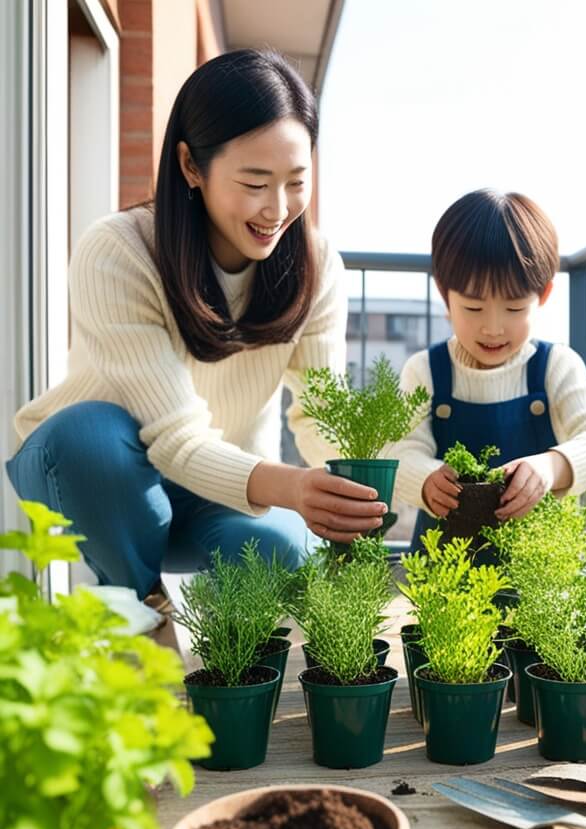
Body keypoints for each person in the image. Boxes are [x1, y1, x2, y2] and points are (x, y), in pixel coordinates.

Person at [5, 49, 386, 602]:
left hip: (223, 487)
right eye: (255, 182)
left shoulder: (316, 265)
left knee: (280, 555)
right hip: (99, 479)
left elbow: (321, 413)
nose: (277, 208)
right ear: (190, 166)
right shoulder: (120, 251)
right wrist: (293, 487)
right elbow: (175, 439)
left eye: (295, 181)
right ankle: (136, 608)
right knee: (91, 437)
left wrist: (351, 488)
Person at [392, 189, 586, 548]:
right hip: (441, 573)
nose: (493, 327)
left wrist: (552, 467)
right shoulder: (424, 370)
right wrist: (425, 478)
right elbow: (397, 450)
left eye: (514, 309)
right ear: (444, 295)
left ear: (543, 295)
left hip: (539, 570)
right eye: (473, 308)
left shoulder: (555, 367)